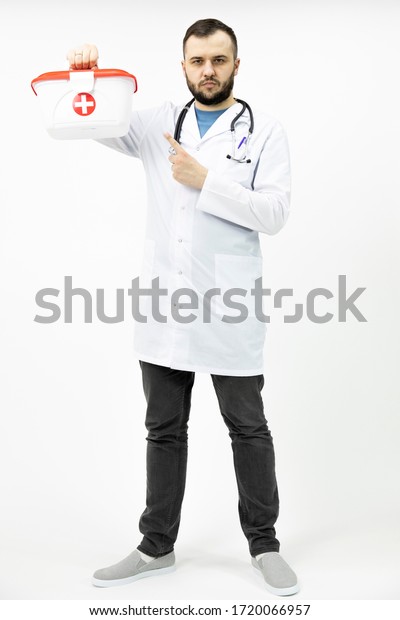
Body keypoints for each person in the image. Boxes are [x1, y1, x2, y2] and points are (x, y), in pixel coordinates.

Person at [67, 18, 299, 596]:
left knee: (247, 427)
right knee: (163, 429)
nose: (209, 71)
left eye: (220, 60)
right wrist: (85, 74)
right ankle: (156, 546)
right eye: (198, 61)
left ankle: (264, 544)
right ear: (184, 66)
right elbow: (91, 118)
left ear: (237, 65)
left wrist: (207, 179)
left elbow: (274, 214)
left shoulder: (263, 132)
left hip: (229, 306)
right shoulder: (155, 123)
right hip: (164, 305)